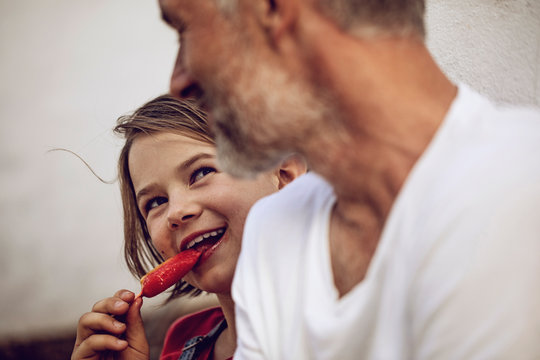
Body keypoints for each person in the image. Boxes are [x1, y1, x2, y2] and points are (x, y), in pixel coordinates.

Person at [157, 0, 540, 359]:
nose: (179, 81)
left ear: (270, 7)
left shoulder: (518, 185)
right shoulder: (272, 227)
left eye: (182, 30)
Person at [70, 95, 306, 360]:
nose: (176, 211)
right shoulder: (180, 346)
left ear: (284, 175)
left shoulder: (353, 326)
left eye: (202, 173)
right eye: (156, 202)